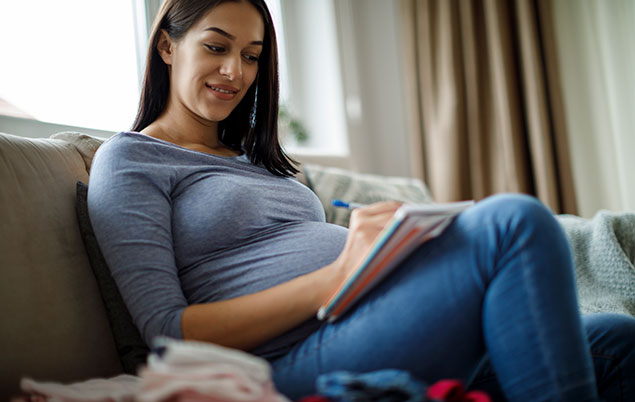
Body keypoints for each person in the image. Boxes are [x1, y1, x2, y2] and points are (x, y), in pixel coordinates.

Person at [87, 0, 635, 400]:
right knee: (514, 222)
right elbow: (166, 330)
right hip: (284, 362)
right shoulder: (131, 160)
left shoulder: (257, 162)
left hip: (374, 321)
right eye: (216, 47)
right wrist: (336, 274)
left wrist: (388, 244)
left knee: (616, 337)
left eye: (252, 56)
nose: (236, 71)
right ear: (166, 45)